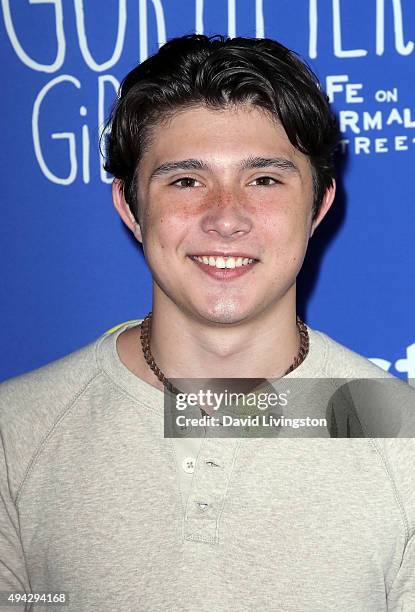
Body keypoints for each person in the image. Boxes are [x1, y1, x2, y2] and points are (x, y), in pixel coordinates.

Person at [0, 34, 414, 612]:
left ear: (318, 206)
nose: (225, 217)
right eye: (186, 181)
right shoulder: (14, 433)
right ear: (129, 207)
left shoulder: (405, 437)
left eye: (265, 180)